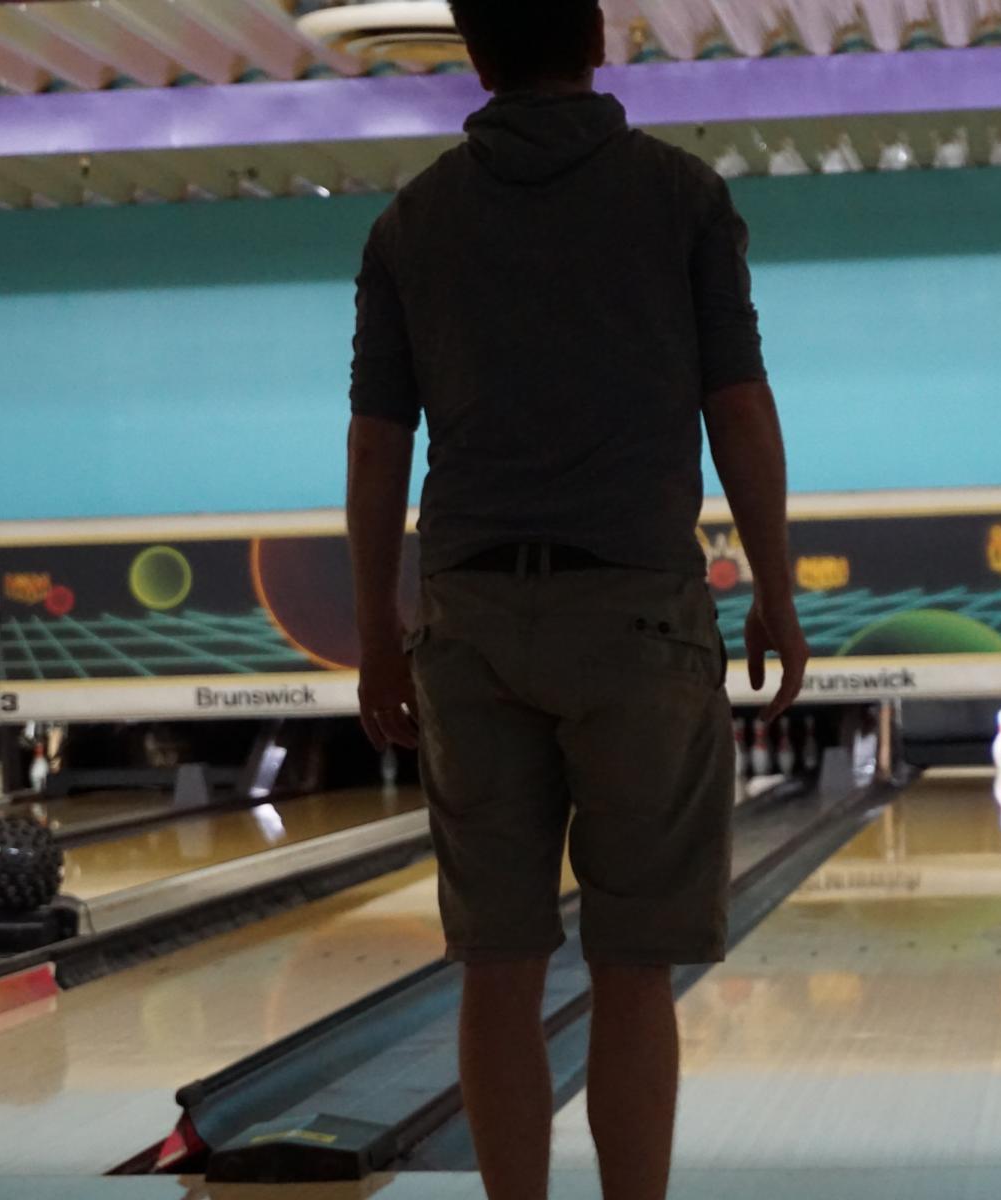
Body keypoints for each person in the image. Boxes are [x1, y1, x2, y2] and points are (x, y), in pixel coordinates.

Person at [344, 2, 807, 1197]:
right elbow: (739, 404)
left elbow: (378, 442)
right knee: (634, 969)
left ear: (474, 52)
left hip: (469, 623)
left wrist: (376, 632)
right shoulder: (682, 196)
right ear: (597, 37)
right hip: (639, 620)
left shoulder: (411, 222)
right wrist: (774, 587)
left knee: (496, 966)